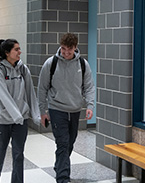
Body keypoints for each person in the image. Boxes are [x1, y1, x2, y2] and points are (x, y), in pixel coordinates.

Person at [38, 33, 95, 183]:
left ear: (75, 48)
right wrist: (43, 111)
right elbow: (42, 89)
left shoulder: (83, 64)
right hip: (57, 109)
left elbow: (89, 87)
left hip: (75, 110)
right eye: (63, 49)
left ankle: (59, 165)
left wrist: (90, 105)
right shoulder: (51, 63)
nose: (66, 52)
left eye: (69, 49)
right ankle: (63, 178)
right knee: (62, 142)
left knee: (70, 141)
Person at [0, 39, 40, 183]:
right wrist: (16, 115)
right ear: (7, 53)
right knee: (0, 152)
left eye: (19, 48)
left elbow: (30, 93)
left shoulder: (23, 69)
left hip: (20, 120)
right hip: (1, 119)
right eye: (16, 49)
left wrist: (35, 114)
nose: (19, 52)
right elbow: (4, 96)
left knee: (18, 154)